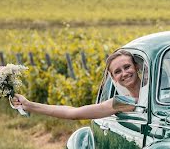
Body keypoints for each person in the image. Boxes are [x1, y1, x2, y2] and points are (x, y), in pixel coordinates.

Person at [10, 50, 139, 120]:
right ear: (114, 79)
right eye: (117, 71)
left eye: (127, 67)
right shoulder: (124, 102)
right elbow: (73, 113)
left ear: (136, 66)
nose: (124, 73)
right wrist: (29, 105)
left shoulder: (156, 91)